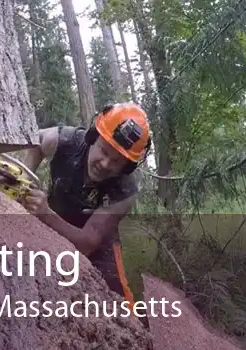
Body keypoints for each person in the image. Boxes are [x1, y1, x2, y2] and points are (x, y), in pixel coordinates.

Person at [19, 102, 152, 316]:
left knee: (118, 297)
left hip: (96, 241)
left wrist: (45, 214)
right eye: (103, 150)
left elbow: (88, 243)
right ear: (92, 137)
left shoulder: (124, 191)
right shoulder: (67, 140)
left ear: (127, 167)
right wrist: (24, 178)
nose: (106, 164)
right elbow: (37, 140)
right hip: (53, 218)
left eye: (116, 161)